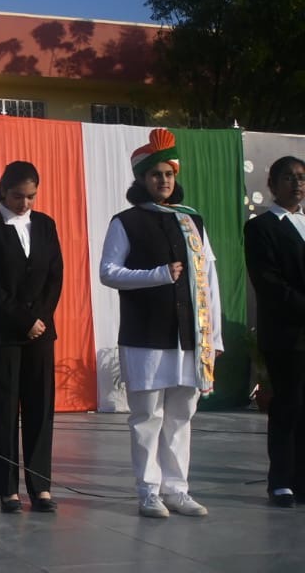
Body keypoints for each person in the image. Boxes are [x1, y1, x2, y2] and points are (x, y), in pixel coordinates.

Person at [99, 127, 222, 518]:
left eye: (168, 174)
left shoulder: (192, 220)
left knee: (182, 415)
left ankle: (177, 489)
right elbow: (108, 272)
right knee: (147, 416)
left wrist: (214, 338)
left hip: (190, 337)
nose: (164, 181)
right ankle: (148, 490)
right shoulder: (126, 221)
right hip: (145, 337)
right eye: (156, 175)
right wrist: (157, 275)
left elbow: (209, 280)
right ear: (142, 179)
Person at [0, 161, 63, 514]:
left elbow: (55, 277)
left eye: (31, 196)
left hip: (40, 332)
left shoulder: (46, 225)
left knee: (40, 409)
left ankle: (41, 487)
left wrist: (40, 319)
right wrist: (24, 320)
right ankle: (7, 489)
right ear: (4, 191)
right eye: (19, 196)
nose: (25, 203)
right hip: (2, 332)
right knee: (4, 412)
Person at [243, 155, 305, 508]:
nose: (297, 184)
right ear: (272, 184)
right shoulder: (261, 227)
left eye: (301, 177)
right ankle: (281, 481)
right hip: (286, 334)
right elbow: (268, 282)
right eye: (288, 177)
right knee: (288, 406)